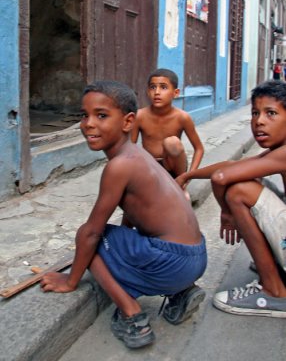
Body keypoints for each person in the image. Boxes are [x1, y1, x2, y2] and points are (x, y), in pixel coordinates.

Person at [40, 80, 207, 348]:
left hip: (172, 262)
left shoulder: (119, 166)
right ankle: (181, 292)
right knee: (113, 237)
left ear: (128, 122)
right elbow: (133, 212)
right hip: (197, 257)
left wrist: (71, 280)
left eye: (101, 115)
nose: (88, 124)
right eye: (84, 115)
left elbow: (93, 232)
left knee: (87, 236)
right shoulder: (139, 156)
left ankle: (132, 314)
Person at [176, 80, 286, 318]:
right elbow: (234, 166)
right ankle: (276, 267)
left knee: (239, 191)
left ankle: (274, 292)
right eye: (255, 113)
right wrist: (188, 174)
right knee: (255, 183)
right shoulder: (278, 150)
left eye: (271, 113)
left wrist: (226, 214)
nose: (259, 121)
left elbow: (221, 177)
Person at [131, 68, 204, 182]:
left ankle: (178, 182)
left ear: (176, 93)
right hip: (150, 166)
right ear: (147, 91)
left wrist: (188, 177)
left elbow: (199, 149)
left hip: (174, 167)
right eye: (153, 87)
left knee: (172, 142)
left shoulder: (182, 117)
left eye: (163, 87)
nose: (157, 92)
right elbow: (130, 148)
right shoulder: (139, 116)